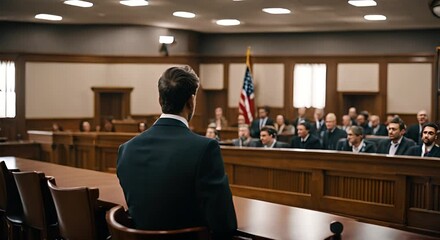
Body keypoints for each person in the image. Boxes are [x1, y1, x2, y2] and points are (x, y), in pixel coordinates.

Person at [116, 66, 237, 239]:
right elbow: (225, 224)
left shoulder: (126, 149)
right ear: (191, 101)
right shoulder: (205, 148)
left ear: (160, 99)